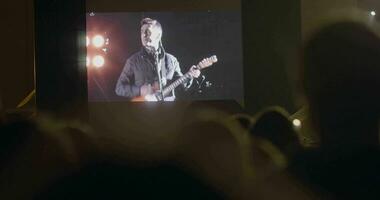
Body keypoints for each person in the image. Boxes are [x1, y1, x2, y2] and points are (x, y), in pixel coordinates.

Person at [115, 18, 202, 101]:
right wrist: (140, 90)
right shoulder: (133, 61)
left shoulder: (171, 60)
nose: (143, 35)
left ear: (158, 35)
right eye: (142, 32)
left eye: (148, 31)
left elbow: (182, 86)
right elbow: (119, 88)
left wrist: (190, 76)